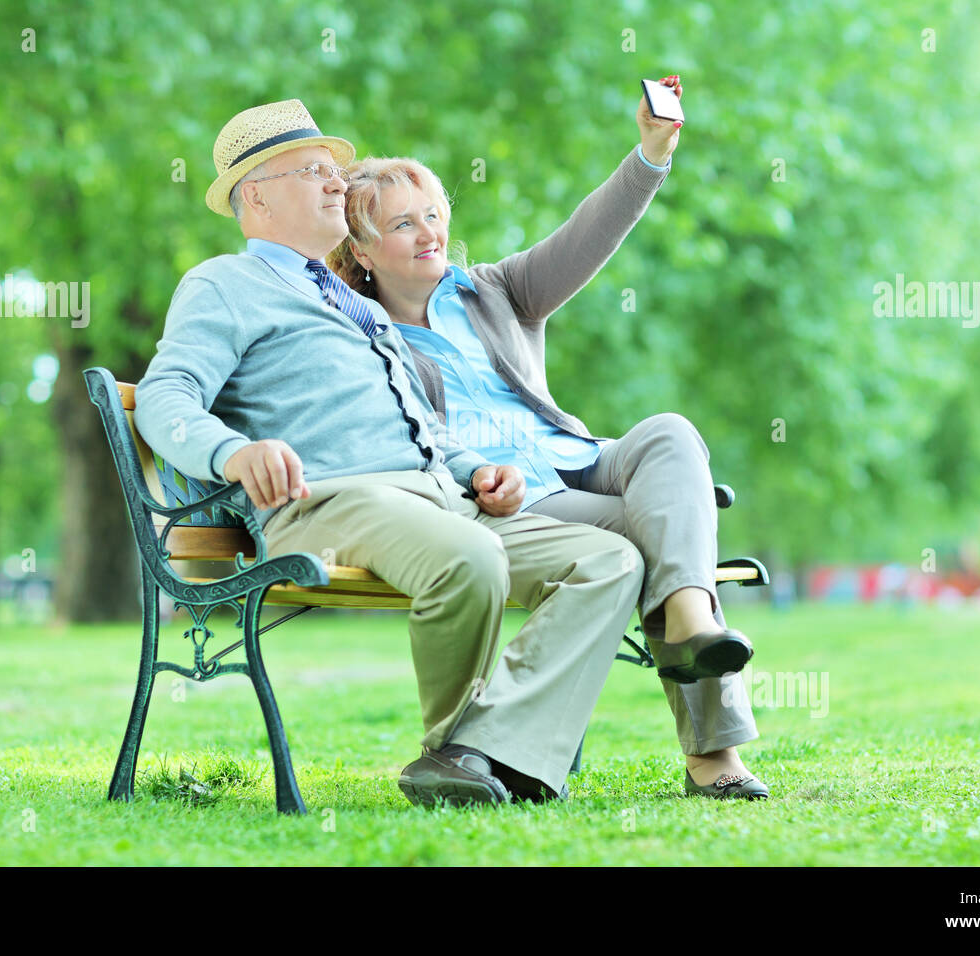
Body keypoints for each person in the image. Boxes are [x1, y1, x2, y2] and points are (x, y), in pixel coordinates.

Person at [135, 99, 647, 808]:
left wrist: (477, 471)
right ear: (256, 195)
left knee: (608, 560)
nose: (335, 184)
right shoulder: (225, 284)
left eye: (335, 171)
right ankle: (460, 751)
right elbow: (166, 394)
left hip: (436, 497)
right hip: (329, 503)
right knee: (470, 558)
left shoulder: (361, 305)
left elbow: (420, 427)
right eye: (311, 171)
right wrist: (231, 453)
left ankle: (481, 752)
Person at [329, 76, 769, 800]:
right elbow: (401, 438)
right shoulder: (360, 336)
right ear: (363, 251)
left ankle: (689, 611)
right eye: (405, 223)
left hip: (581, 461)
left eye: (434, 214)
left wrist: (651, 153)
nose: (431, 232)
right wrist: (474, 476)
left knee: (669, 432)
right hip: (514, 503)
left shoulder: (495, 291)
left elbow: (589, 234)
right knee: (655, 538)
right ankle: (714, 760)